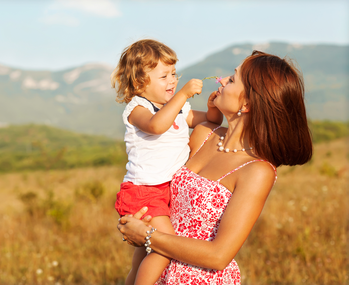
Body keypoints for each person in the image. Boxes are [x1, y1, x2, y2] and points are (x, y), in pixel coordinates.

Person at [118, 50, 313, 284]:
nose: (221, 80)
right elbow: (156, 179)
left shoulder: (257, 170)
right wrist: (136, 221)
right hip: (157, 274)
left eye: (232, 79)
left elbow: (219, 256)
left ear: (248, 103)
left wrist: (148, 236)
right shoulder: (203, 135)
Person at [111, 39, 223, 285]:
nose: (172, 81)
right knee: (162, 249)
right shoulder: (138, 107)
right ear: (140, 82)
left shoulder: (179, 109)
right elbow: (156, 126)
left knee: (143, 256)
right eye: (164, 76)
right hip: (144, 191)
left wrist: (213, 107)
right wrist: (182, 94)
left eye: (173, 74)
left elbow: (210, 122)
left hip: (165, 191)